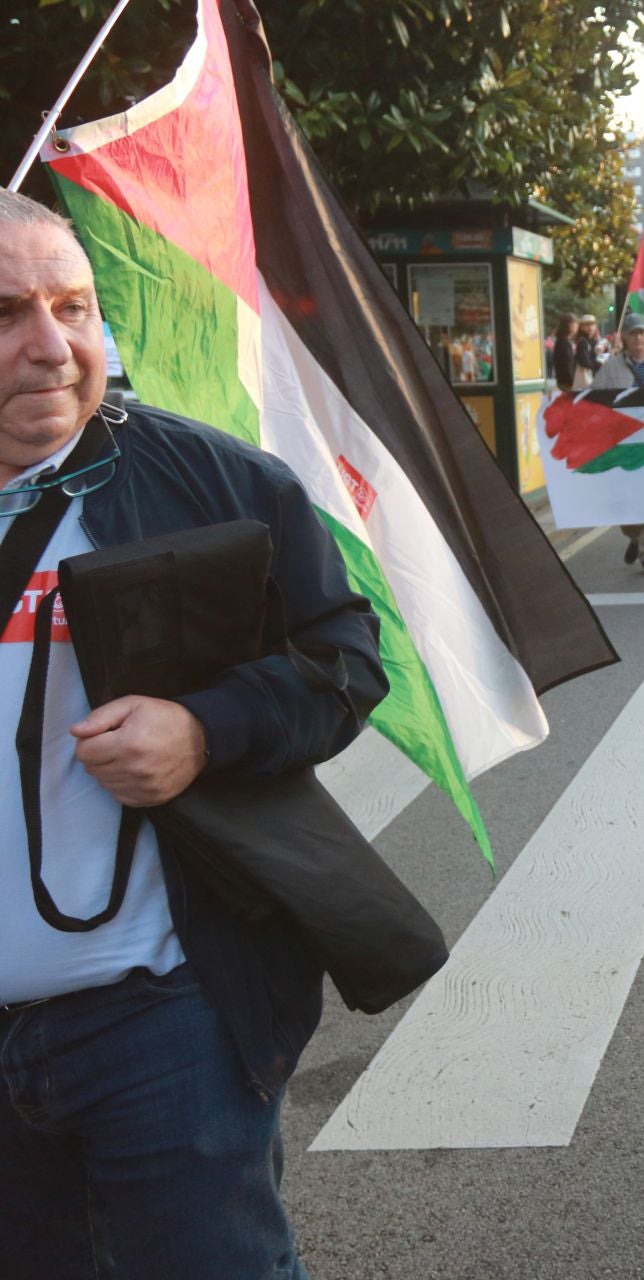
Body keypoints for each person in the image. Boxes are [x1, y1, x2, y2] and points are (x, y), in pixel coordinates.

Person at [0, 188, 385, 1280]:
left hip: (162, 1015)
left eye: (73, 307)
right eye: (7, 314)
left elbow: (344, 660)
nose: (51, 346)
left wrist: (204, 728)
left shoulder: (212, 482)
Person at [593, 313, 644, 576]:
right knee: (624, 503)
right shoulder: (611, 368)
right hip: (625, 446)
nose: (638, 338)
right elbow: (593, 398)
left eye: (642, 332)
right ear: (624, 337)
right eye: (633, 333)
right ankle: (634, 536)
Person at [573, 314, 604, 390]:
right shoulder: (583, 341)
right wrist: (600, 364)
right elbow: (584, 362)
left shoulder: (591, 341)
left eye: (592, 324)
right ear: (581, 327)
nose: (590, 327)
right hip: (586, 378)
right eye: (587, 325)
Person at [548, 314, 577, 390]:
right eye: (575, 323)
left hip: (563, 381)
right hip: (567, 384)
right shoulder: (564, 343)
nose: (576, 326)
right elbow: (567, 365)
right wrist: (572, 382)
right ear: (569, 325)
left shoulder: (562, 341)